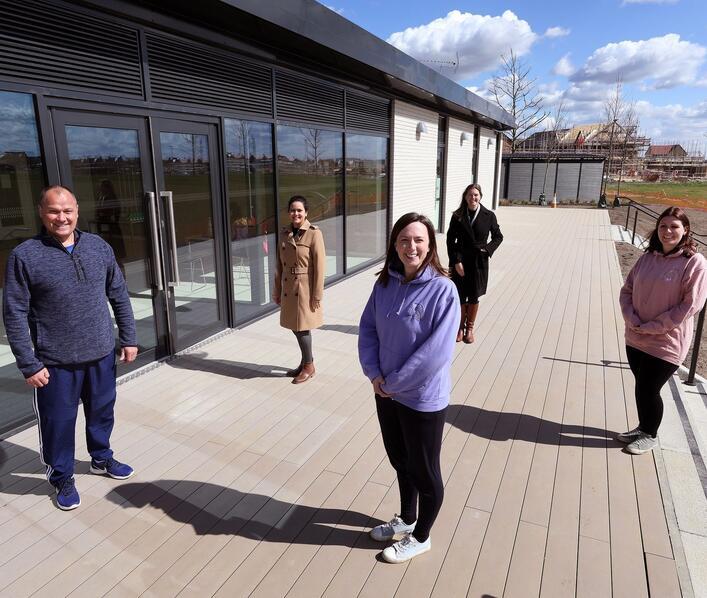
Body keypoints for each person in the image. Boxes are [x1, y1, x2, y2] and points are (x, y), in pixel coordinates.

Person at [3, 185, 138, 511]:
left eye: (67, 211)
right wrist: (29, 363)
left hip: (102, 353)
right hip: (55, 362)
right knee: (57, 423)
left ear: (77, 212)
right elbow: (14, 312)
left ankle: (101, 458)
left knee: (102, 413)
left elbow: (118, 294)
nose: (61, 217)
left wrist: (129, 337)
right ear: (41, 212)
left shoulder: (98, 247)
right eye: (53, 211)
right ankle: (62, 477)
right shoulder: (25, 255)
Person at [358, 212, 459, 563]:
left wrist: (394, 383)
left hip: (421, 398)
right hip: (385, 392)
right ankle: (406, 517)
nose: (410, 246)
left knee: (425, 469)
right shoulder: (384, 284)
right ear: (394, 246)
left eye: (418, 239)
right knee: (400, 460)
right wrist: (375, 375)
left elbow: (436, 353)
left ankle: (421, 536)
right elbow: (367, 329)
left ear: (430, 245)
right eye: (404, 240)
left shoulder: (443, 290)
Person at [618, 206, 707, 455]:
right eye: (663, 226)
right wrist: (631, 317)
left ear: (686, 230)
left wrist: (654, 327)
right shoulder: (648, 257)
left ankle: (651, 434)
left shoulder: (694, 263)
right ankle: (642, 427)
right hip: (636, 335)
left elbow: (690, 305)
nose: (668, 231)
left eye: (674, 227)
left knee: (649, 388)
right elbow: (627, 290)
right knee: (640, 386)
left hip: (666, 341)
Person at [273, 195, 325, 384]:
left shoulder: (314, 233)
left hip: (305, 288)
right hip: (288, 285)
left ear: (306, 213)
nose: (296, 213)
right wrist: (276, 290)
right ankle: (304, 362)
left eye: (299, 210)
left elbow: (320, 266)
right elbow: (279, 264)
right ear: (289, 213)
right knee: (296, 327)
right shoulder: (284, 233)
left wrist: (317, 294)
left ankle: (309, 366)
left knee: (301, 328)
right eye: (293, 210)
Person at [446, 183, 503, 343]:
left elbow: (498, 236)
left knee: (473, 296)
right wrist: (456, 261)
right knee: (459, 295)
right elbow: (451, 240)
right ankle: (459, 327)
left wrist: (488, 250)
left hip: (479, 262)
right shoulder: (457, 216)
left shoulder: (489, 215)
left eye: (476, 195)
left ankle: (469, 329)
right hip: (461, 260)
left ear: (480, 197)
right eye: (470, 195)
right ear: (465, 197)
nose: (473, 198)